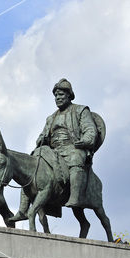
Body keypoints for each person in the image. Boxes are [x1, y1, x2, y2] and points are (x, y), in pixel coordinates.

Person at [35, 78, 97, 208]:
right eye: (56, 95)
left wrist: (85, 141)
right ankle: (24, 208)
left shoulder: (81, 110)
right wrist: (41, 139)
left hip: (73, 147)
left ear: (69, 95)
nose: (58, 98)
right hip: (54, 151)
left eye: (61, 94)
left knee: (76, 158)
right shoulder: (51, 118)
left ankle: (75, 197)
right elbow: (43, 134)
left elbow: (90, 130)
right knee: (33, 162)